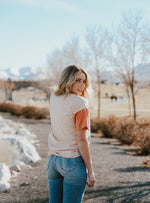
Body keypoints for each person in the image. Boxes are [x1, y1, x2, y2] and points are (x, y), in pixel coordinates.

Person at [47, 65, 96, 203]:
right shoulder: (80, 103)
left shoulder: (53, 97)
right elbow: (81, 139)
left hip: (53, 162)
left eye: (84, 81)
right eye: (77, 80)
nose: (82, 85)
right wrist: (91, 170)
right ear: (67, 80)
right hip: (72, 162)